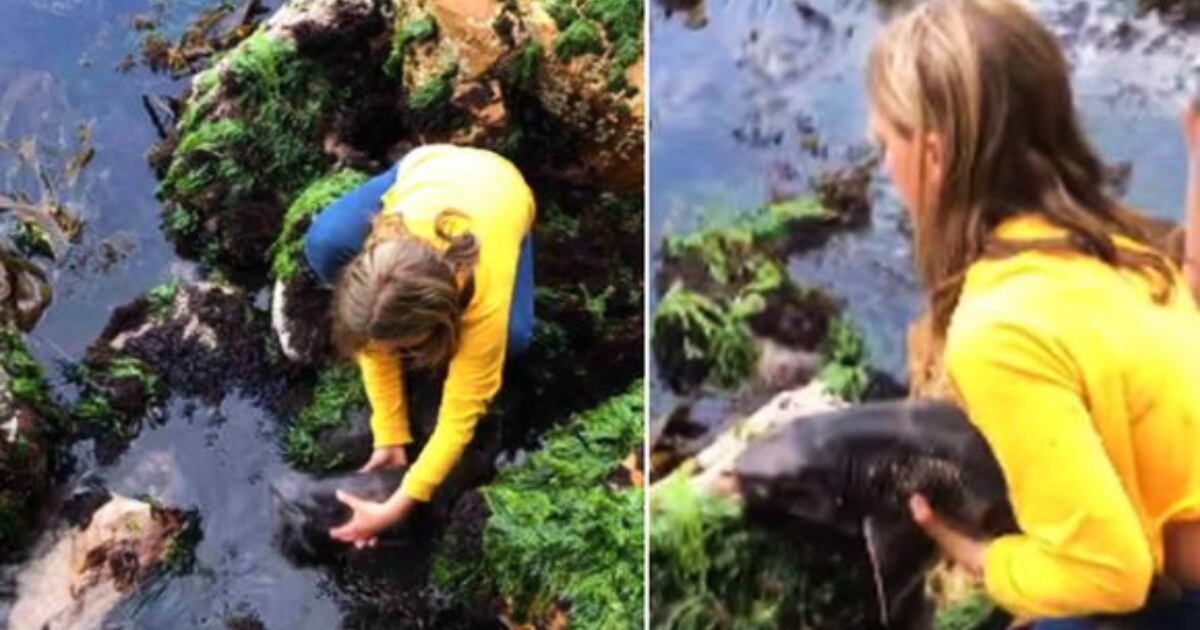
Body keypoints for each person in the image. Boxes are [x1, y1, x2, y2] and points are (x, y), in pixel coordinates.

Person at [864, 0, 1200, 627]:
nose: (884, 167)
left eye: (886, 143)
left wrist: (986, 560)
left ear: (933, 158)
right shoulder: (1119, 245)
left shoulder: (997, 331)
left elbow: (1109, 575)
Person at [302, 144, 536, 548]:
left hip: (503, 191)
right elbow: (375, 341)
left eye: (402, 346)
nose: (391, 354)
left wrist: (403, 501)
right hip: (431, 166)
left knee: (514, 340)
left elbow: (461, 414)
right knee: (324, 245)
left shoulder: (482, 295)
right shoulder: (383, 251)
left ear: (439, 320)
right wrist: (389, 433)